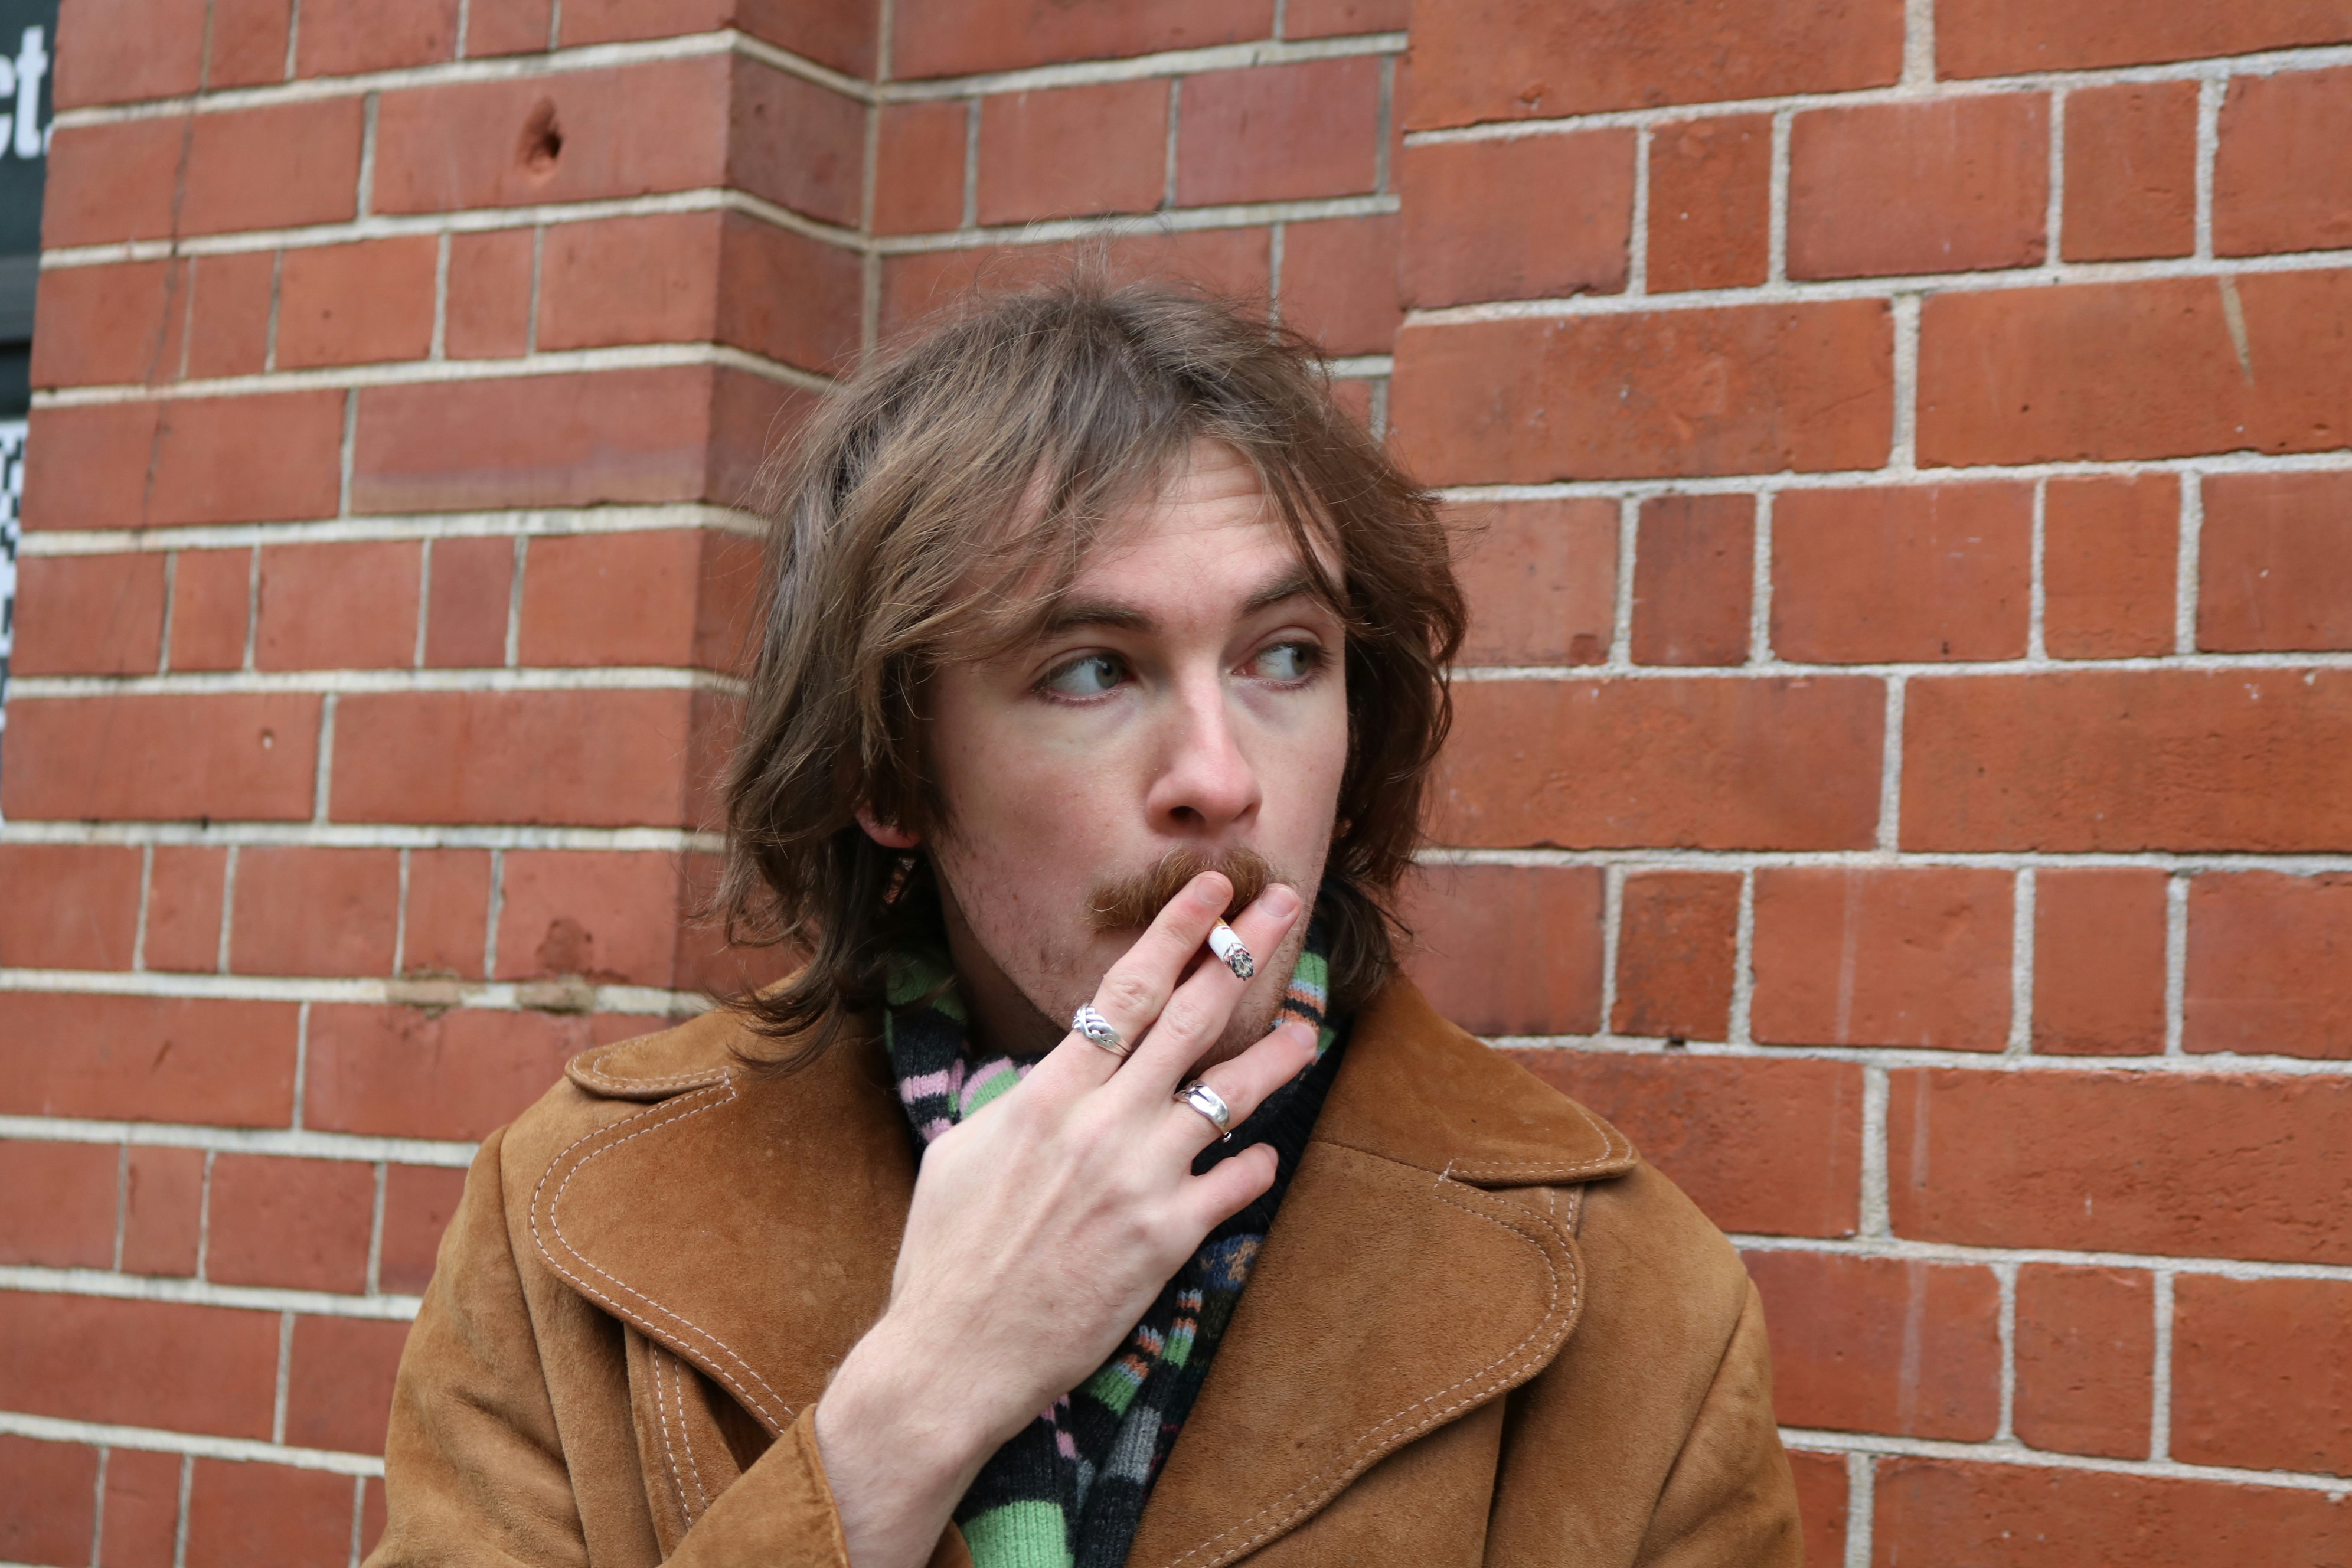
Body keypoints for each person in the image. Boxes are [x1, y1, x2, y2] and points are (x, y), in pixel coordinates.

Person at [369, 279, 1802, 1567]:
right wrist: (915, 1403)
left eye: (1284, 656)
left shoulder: (1632, 1302)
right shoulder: (573, 1213)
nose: (1222, 778)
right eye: (1092, 670)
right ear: (889, 772)